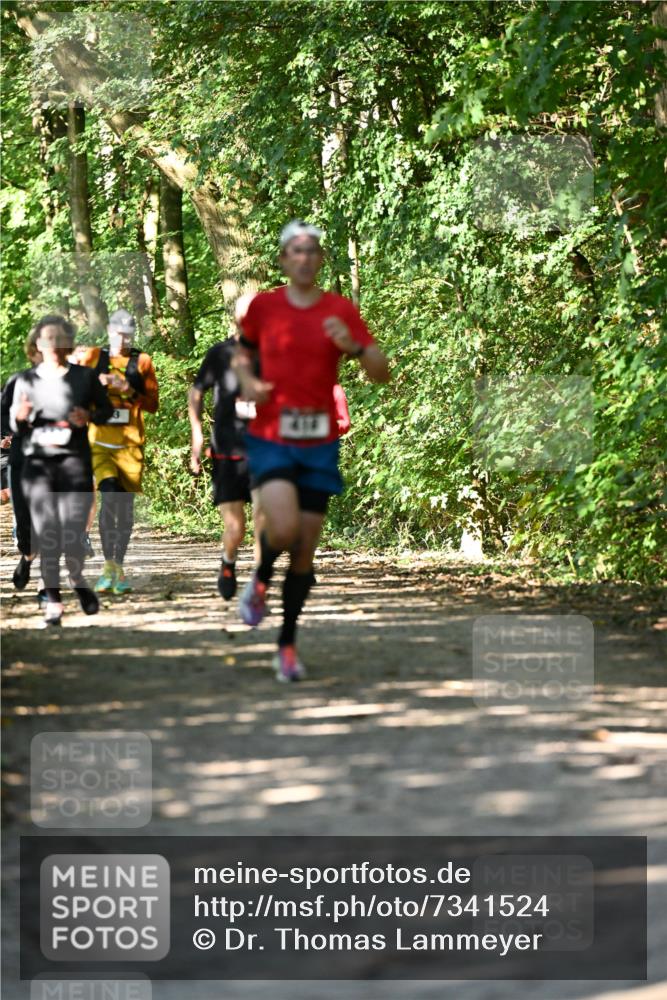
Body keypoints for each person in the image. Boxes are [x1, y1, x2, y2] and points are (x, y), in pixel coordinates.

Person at [234, 220, 390, 681]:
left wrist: (355, 347)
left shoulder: (340, 309)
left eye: (312, 251)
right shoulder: (264, 307)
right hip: (271, 435)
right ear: (284, 259)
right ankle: (261, 575)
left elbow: (381, 371)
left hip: (319, 442)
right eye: (295, 251)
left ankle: (287, 643)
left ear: (320, 259)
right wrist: (249, 382)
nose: (304, 258)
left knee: (304, 552)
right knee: (281, 528)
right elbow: (242, 354)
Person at [9, 315, 113, 625]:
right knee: (48, 532)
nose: (53, 344)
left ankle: (77, 578)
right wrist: (21, 418)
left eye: (59, 338)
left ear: (67, 343)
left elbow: (106, 410)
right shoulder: (23, 380)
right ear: (36, 344)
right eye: (47, 338)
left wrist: (89, 415)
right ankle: (52, 601)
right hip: (37, 464)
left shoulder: (84, 377)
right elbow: (12, 422)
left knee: (73, 533)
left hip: (74, 462)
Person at [79, 309, 159, 595]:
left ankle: (118, 567)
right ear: (109, 331)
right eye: (118, 333)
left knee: (125, 508)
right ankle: (108, 565)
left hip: (130, 444)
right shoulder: (92, 357)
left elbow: (152, 405)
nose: (123, 339)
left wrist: (128, 389)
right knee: (109, 496)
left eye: (128, 333)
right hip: (99, 444)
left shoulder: (143, 361)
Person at [189, 294, 262, 601]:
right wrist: (197, 435)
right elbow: (196, 391)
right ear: (235, 319)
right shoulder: (220, 354)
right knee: (236, 529)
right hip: (227, 451)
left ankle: (259, 585)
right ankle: (228, 562)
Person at [1, 327, 43, 596]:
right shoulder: (17, 384)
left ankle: (47, 585)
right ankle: (27, 556)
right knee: (26, 526)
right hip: (20, 460)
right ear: (32, 352)